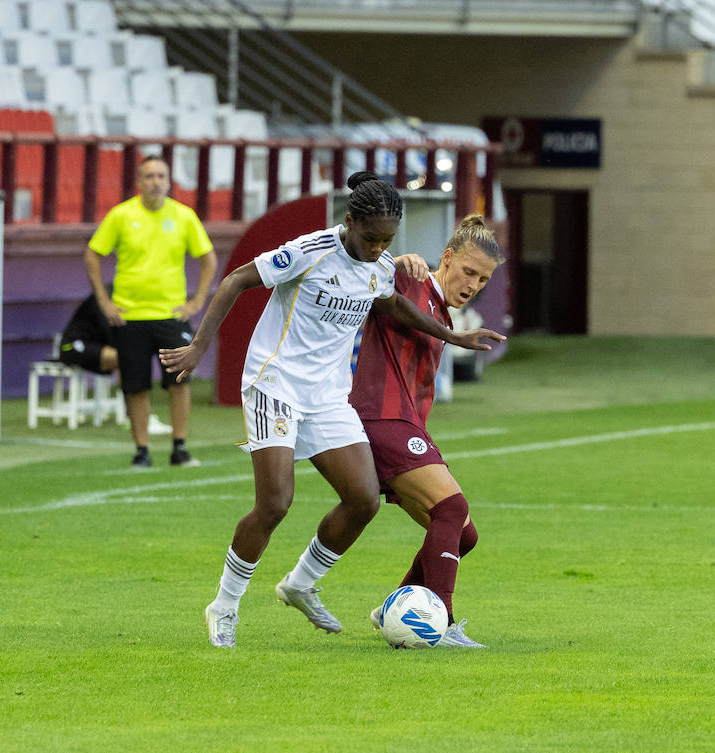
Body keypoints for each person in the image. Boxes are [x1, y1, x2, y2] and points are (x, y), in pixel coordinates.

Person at [158, 171, 505, 648]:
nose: (376, 248)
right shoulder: (311, 250)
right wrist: (199, 347)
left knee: (363, 499)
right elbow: (239, 279)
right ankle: (225, 605)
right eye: (369, 238)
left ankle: (300, 583)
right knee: (276, 502)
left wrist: (453, 335)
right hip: (274, 384)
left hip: (327, 397)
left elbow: (393, 307)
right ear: (349, 222)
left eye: (386, 240)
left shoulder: (379, 266)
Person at [350, 214, 503, 649]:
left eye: (483, 280)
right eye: (468, 271)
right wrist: (398, 261)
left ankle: (391, 609)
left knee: (463, 533)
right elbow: (367, 274)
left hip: (404, 425)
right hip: (381, 420)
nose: (473, 284)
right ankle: (443, 621)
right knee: (452, 508)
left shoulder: (443, 315)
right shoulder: (413, 283)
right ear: (447, 257)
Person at [85, 155, 217, 468]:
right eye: (149, 176)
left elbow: (208, 260)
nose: (155, 182)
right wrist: (104, 302)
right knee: (135, 385)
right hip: (130, 316)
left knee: (179, 381)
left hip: (171, 315)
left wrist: (196, 302)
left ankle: (179, 447)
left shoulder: (184, 216)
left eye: (160, 176)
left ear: (169, 181)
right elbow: (92, 254)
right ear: (139, 182)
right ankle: (141, 450)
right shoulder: (121, 215)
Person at [57, 291, 172, 435]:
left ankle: (137, 415)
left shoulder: (130, 301)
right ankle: (138, 416)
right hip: (72, 347)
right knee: (128, 359)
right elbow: (114, 333)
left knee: (131, 358)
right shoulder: (106, 298)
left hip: (95, 346)